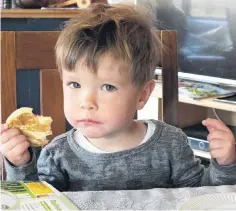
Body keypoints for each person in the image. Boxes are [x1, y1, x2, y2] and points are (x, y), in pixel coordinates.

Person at [1, 3, 236, 192]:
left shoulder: (171, 144)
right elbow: (37, 202)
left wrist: (225, 165)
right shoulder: (58, 154)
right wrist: (20, 164)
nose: (86, 103)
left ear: (142, 95)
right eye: (74, 84)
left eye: (108, 87)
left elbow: (200, 197)